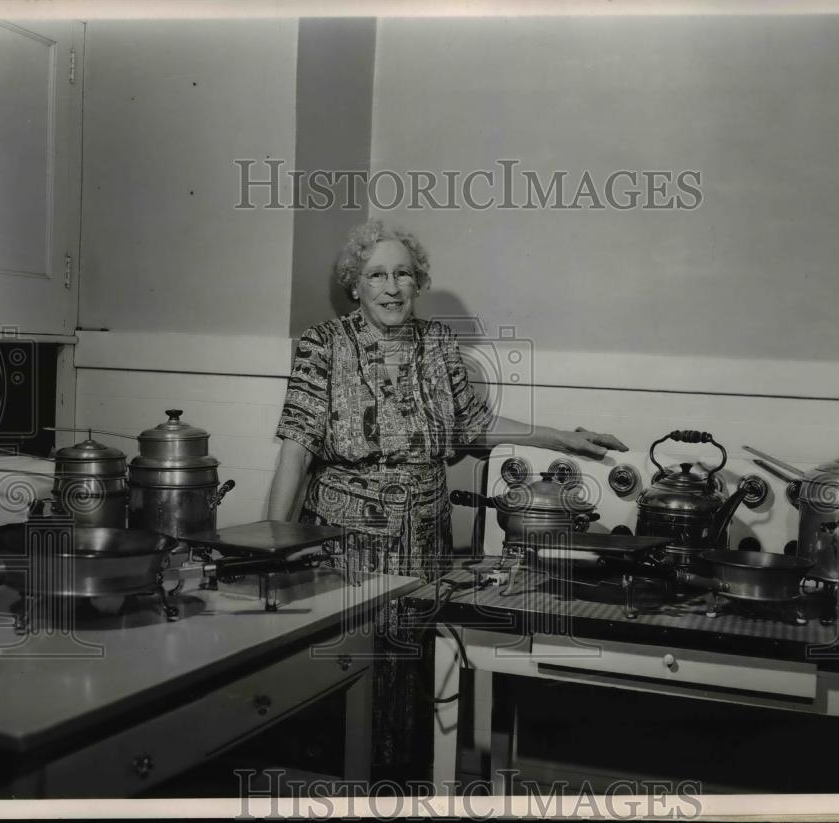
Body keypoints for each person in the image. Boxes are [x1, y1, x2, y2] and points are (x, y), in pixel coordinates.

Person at [268, 219, 627, 784]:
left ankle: (406, 789)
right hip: (347, 549)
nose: (391, 287)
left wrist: (563, 437)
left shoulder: (437, 342)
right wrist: (274, 544)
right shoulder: (324, 345)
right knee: (352, 672)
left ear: (417, 283)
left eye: (403, 274)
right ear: (354, 285)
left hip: (424, 545)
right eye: (376, 275)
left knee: (414, 674)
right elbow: (296, 446)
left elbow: (472, 425)